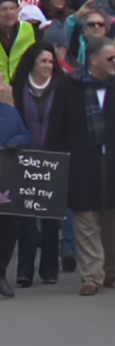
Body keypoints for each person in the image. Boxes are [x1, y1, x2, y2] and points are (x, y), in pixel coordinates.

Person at [46, 37, 115, 295]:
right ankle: (91, 276)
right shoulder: (70, 85)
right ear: (93, 60)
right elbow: (57, 127)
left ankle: (110, 267)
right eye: (111, 57)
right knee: (86, 218)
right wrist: (54, 162)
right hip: (84, 162)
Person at [10, 44, 65, 287]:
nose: (48, 66)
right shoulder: (18, 86)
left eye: (51, 62)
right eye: (43, 61)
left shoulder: (62, 87)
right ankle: (24, 269)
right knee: (25, 217)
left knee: (52, 217)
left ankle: (50, 268)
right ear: (33, 62)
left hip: (54, 158)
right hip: (23, 157)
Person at [0, 75, 32, 296]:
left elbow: (26, 135)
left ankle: (0, 273)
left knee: (8, 229)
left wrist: (16, 143)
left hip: (5, 181)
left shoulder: (9, 112)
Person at [0, 0, 38, 84]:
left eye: (12, 9)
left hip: (23, 83)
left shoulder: (30, 29)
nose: (8, 13)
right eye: (3, 9)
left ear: (18, 11)